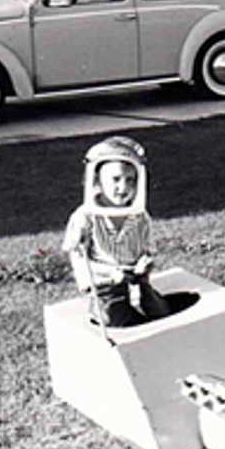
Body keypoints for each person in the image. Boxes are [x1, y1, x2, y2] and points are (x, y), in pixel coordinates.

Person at [62, 136, 171, 327]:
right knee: (117, 320)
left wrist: (145, 263)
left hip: (136, 280)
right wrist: (110, 273)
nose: (124, 188)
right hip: (103, 285)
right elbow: (78, 258)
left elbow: (147, 250)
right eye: (115, 179)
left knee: (160, 314)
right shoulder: (86, 217)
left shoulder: (139, 215)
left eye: (130, 180)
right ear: (97, 181)